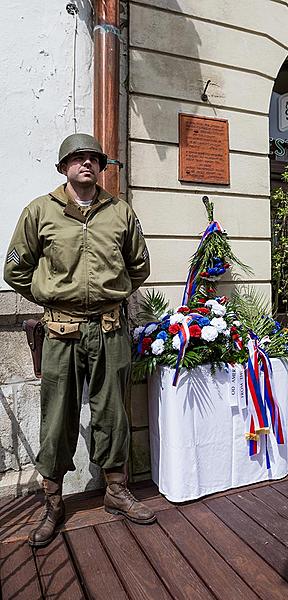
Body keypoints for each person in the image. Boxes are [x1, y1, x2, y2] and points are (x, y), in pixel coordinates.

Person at [4, 133, 155, 547]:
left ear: (100, 167)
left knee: (113, 413)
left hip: (110, 330)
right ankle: (52, 500)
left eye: (93, 158)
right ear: (63, 167)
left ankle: (117, 490)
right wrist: (51, 295)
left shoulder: (120, 213)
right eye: (77, 158)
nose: (86, 164)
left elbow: (138, 265)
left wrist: (113, 292)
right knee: (57, 418)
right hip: (60, 332)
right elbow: (15, 269)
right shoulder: (39, 212)